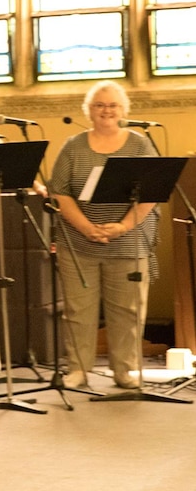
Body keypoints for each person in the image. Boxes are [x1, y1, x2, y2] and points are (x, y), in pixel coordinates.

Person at [48, 80, 159, 390]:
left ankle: (125, 370)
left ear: (123, 110)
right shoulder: (73, 145)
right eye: (99, 105)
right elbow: (59, 191)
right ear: (89, 110)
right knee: (78, 311)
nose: (106, 111)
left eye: (112, 105)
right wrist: (86, 226)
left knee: (128, 310)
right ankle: (78, 370)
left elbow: (152, 191)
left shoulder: (140, 145)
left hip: (128, 242)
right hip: (79, 243)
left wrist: (123, 226)